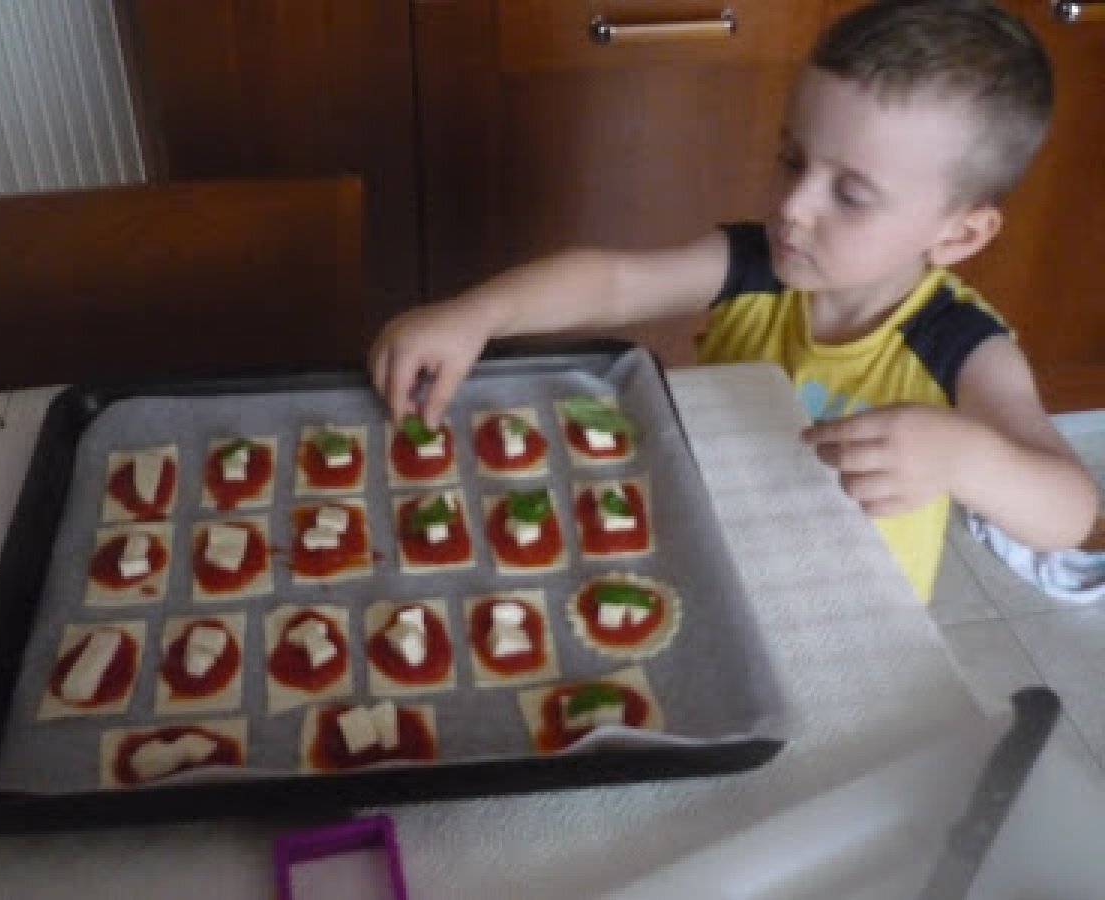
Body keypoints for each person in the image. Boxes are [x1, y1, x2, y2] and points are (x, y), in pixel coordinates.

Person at [367, 0, 1098, 602]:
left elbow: (1069, 512)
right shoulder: (757, 265)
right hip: (709, 560)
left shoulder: (960, 346)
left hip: (845, 611)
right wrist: (477, 315)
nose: (795, 207)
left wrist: (966, 460)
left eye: (850, 194)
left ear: (960, 234)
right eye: (791, 160)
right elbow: (612, 281)